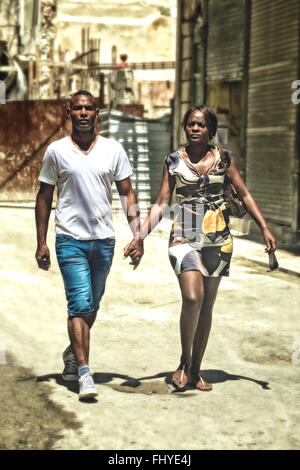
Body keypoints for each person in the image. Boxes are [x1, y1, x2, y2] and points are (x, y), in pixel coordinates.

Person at [124, 105, 276, 392]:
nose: (194, 128)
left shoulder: (224, 158)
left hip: (218, 237)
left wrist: (265, 227)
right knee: (193, 297)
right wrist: (140, 235)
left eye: (200, 125)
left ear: (210, 130)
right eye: (190, 124)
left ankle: (195, 369)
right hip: (185, 232)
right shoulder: (173, 160)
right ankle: (184, 360)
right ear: (185, 128)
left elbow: (243, 193)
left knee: (207, 305)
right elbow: (162, 201)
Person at [35, 90, 143, 400]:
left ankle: (72, 353)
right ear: (68, 111)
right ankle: (84, 372)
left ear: (98, 112)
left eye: (89, 108)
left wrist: (137, 234)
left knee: (92, 305)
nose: (84, 113)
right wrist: (41, 242)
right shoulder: (56, 151)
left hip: (104, 242)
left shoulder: (113, 150)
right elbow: (44, 197)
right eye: (78, 108)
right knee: (79, 305)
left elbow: (127, 193)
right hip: (70, 240)